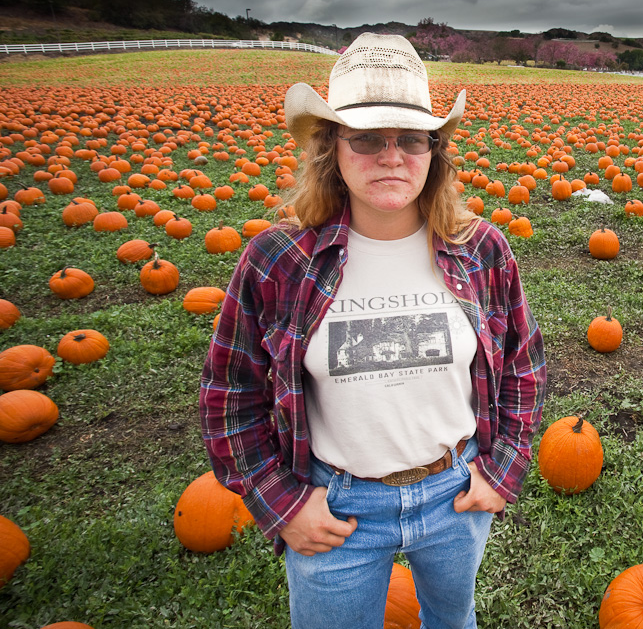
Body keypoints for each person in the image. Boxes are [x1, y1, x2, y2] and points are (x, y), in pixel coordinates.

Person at [199, 32, 546, 628]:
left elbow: (522, 365)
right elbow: (229, 398)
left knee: (452, 621)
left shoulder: (481, 250)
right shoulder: (277, 260)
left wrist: (502, 468)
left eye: (411, 139)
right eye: (366, 139)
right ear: (331, 148)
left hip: (454, 496)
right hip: (336, 507)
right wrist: (281, 505)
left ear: (434, 152)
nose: (392, 157)